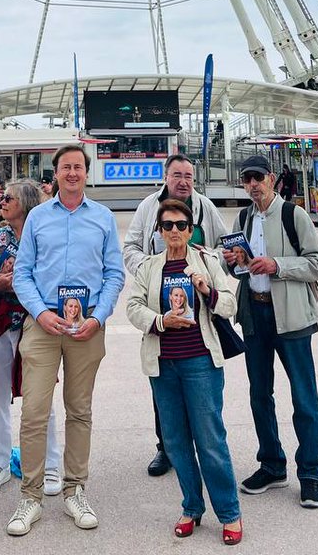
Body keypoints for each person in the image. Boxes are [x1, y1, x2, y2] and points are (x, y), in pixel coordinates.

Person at [6, 143, 125, 537]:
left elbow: (114, 273)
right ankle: (31, 496)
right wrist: (40, 312)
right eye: (65, 168)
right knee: (34, 412)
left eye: (78, 167)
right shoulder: (38, 217)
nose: (72, 173)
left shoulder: (103, 218)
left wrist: (98, 316)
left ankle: (75, 489)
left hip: (86, 327)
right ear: (54, 174)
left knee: (80, 411)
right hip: (43, 326)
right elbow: (22, 274)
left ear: (86, 173)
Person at [127, 198, 242, 545]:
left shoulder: (205, 260)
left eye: (181, 225)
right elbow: (133, 307)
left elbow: (230, 303)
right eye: (167, 226)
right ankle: (191, 506)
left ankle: (229, 512)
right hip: (163, 365)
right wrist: (160, 320)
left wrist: (207, 290)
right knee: (176, 442)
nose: (174, 231)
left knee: (209, 440)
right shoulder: (150, 267)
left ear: (190, 230)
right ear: (159, 232)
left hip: (200, 363)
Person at [221, 153, 318, 510]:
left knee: (304, 397)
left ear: (271, 179)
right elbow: (241, 271)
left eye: (257, 178)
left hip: (292, 318)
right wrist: (234, 263)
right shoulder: (242, 218)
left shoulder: (292, 215)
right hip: (256, 314)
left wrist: (278, 265)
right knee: (259, 394)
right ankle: (271, 464)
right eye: (246, 179)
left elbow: (317, 263)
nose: (252, 185)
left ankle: (310, 474)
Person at [123, 154, 228, 475]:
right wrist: (153, 273)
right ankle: (166, 448)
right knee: (162, 381)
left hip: (200, 313)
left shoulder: (205, 207)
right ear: (165, 177)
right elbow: (130, 248)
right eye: (177, 175)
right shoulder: (147, 207)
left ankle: (203, 447)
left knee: (202, 385)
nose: (183, 182)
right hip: (160, 310)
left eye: (189, 177)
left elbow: (223, 246)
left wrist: (208, 269)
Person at [0, 179, 62, 497]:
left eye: (8, 197)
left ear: (25, 202)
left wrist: (23, 283)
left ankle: (49, 465)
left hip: (35, 323)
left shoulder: (44, 235)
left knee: (40, 396)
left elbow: (56, 276)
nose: (2, 200)